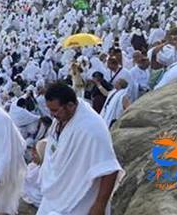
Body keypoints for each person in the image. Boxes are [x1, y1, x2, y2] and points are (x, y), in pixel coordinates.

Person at [38, 82, 124, 215]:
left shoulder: (92, 128)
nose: (52, 114)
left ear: (71, 106)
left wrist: (99, 205)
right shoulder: (61, 117)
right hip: (55, 195)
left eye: (55, 110)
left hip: (80, 199)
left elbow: (109, 169)